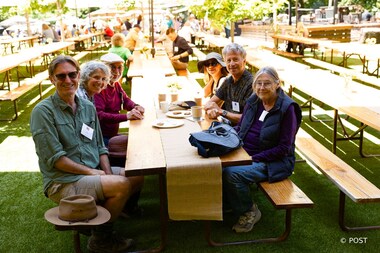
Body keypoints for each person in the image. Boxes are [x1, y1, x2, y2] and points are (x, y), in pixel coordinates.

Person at [30, 55, 140, 252]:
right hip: (63, 181)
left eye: (72, 75)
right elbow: (56, 160)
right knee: (121, 184)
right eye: (61, 76)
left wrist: (105, 173)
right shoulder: (43, 112)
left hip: (92, 171)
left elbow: (100, 147)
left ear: (79, 75)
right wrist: (95, 174)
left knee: (137, 176)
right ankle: (101, 239)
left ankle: (92, 222)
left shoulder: (87, 107)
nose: (68, 80)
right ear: (51, 79)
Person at [223, 66, 302, 233]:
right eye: (258, 83)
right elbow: (241, 129)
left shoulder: (288, 109)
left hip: (275, 161)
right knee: (217, 162)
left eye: (267, 83)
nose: (261, 87)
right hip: (246, 152)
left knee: (232, 173)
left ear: (277, 84)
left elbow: (283, 148)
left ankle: (249, 211)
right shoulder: (254, 100)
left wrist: (254, 158)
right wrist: (227, 140)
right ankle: (229, 202)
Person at [94, 53, 145, 147]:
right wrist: (126, 116)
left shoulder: (115, 84)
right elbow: (99, 115)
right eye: (112, 68)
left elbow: (125, 100)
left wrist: (136, 106)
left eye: (120, 67)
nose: (117, 72)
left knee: (140, 140)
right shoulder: (99, 88)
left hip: (112, 135)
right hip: (101, 139)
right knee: (136, 144)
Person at [204, 43, 253, 125]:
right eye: (228, 60)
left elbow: (247, 118)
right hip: (227, 127)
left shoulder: (252, 84)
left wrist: (221, 112)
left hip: (242, 132)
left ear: (244, 61)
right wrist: (210, 110)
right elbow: (209, 103)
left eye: (235, 59)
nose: (232, 64)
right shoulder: (228, 81)